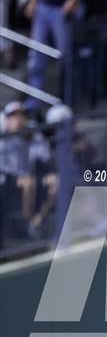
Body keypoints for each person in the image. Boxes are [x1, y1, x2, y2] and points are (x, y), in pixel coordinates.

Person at [0, 101, 55, 244]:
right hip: (7, 179)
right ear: (7, 119)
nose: (18, 119)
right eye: (13, 115)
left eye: (21, 115)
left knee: (55, 181)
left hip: (30, 176)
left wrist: (29, 137)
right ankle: (27, 222)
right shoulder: (3, 137)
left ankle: (36, 221)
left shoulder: (31, 133)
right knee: (28, 181)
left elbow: (44, 156)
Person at [24, 0, 87, 112]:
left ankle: (68, 103)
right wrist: (33, 1)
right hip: (43, 7)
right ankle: (33, 104)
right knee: (36, 57)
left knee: (66, 60)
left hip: (62, 9)